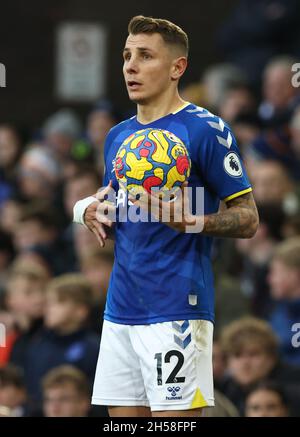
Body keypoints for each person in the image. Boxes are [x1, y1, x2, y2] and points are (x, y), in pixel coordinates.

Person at [73, 15, 259, 417]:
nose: (130, 66)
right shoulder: (117, 136)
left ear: (177, 67)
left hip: (177, 307)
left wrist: (192, 220)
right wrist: (86, 209)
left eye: (145, 56)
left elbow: (248, 219)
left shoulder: (206, 129)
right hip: (120, 309)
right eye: (126, 56)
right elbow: (114, 199)